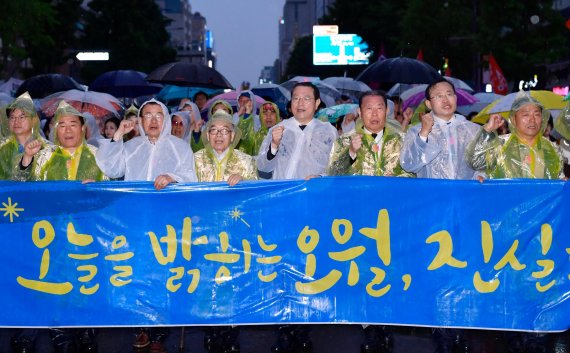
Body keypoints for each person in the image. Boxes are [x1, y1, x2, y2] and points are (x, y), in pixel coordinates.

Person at [95, 98, 197, 190]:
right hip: (136, 204)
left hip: (167, 206)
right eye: (148, 116)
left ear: (165, 120)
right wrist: (118, 134)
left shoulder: (181, 147)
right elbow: (111, 169)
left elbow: (191, 176)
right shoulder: (130, 147)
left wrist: (172, 177)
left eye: (158, 116)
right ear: (141, 121)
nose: (153, 121)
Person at [466, 91, 565, 180]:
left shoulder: (552, 149)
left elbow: (558, 179)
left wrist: (563, 182)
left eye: (537, 114)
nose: (532, 119)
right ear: (513, 119)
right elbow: (476, 162)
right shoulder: (501, 145)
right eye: (526, 115)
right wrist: (487, 130)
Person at [400, 77, 480, 180]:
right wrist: (424, 133)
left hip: (465, 193)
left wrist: (481, 175)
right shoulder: (416, 131)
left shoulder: (473, 130)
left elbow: (484, 163)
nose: (445, 100)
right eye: (439, 96)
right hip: (432, 193)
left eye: (449, 94)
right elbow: (409, 164)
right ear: (429, 104)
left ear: (455, 98)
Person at [257, 82, 337, 180]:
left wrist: (320, 178)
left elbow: (336, 167)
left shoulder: (328, 132)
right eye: (296, 98)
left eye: (306, 98)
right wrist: (273, 146)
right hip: (283, 192)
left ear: (317, 103)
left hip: (313, 192)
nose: (300, 103)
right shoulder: (278, 129)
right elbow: (263, 168)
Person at [327, 90, 412, 177]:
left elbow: (412, 173)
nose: (374, 114)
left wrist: (396, 180)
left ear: (386, 111)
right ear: (360, 112)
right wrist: (351, 152)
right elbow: (333, 174)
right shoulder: (345, 141)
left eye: (379, 108)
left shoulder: (401, 140)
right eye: (369, 108)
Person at [19, 101, 107, 182]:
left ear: (82, 128)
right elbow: (26, 185)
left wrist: (97, 188)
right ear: (56, 130)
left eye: (73, 125)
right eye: (62, 126)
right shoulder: (46, 156)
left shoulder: (97, 156)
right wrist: (28, 157)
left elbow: (110, 192)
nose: (68, 130)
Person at [194, 110, 257, 184]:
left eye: (224, 130)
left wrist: (243, 181)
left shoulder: (246, 161)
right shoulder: (196, 159)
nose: (219, 135)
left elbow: (256, 190)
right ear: (208, 135)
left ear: (232, 135)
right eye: (214, 130)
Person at [0, 92, 50, 181]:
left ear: (33, 120)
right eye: (12, 117)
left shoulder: (48, 149)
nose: (16, 121)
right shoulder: (2, 148)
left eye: (22, 117)